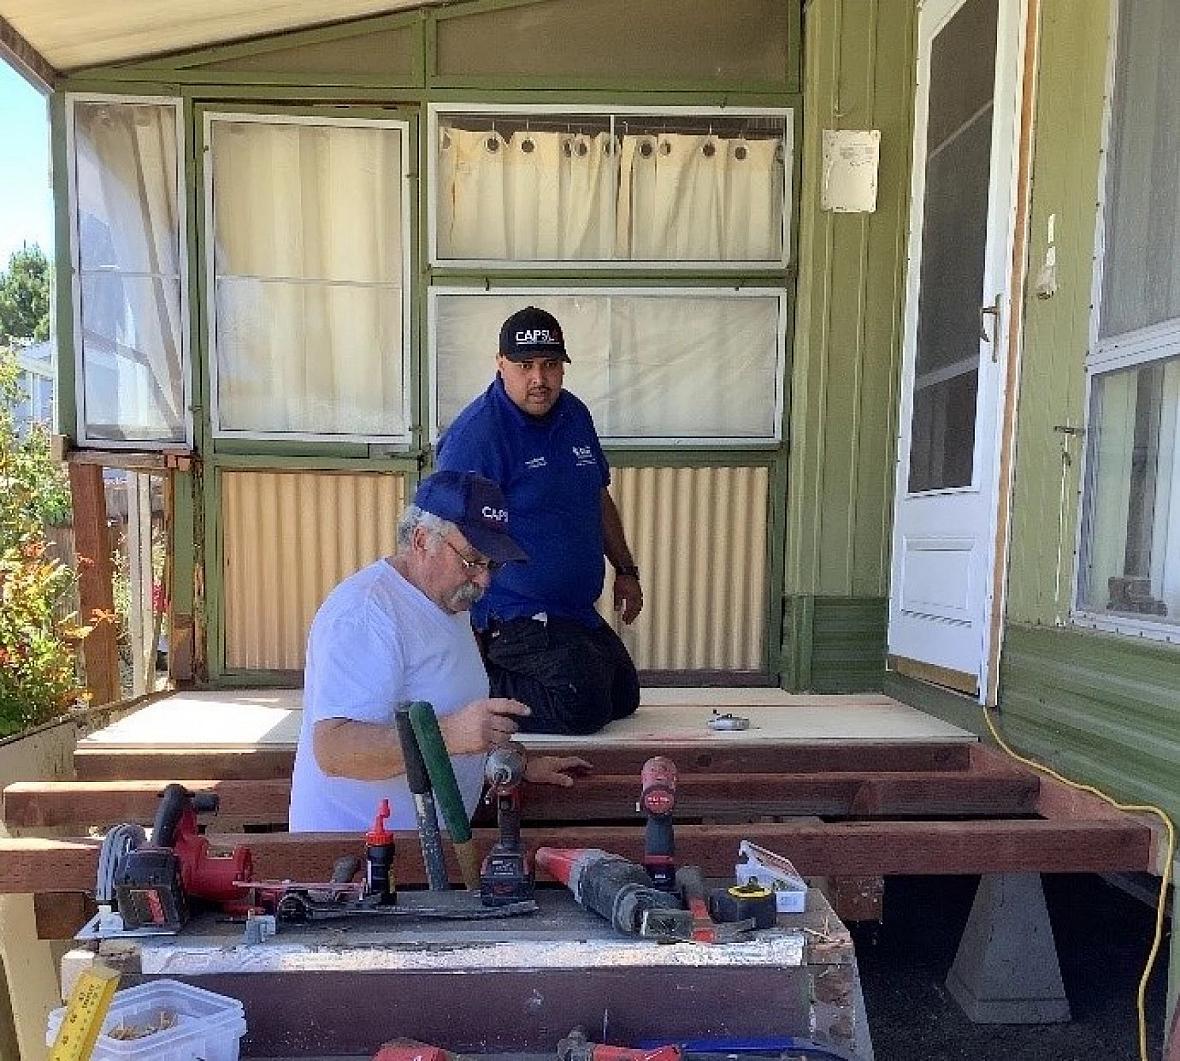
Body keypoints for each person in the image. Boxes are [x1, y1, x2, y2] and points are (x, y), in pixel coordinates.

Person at [289, 469, 589, 832]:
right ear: (420, 540)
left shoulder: (446, 601)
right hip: (359, 862)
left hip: (423, 851)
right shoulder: (366, 613)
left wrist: (504, 762)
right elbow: (335, 750)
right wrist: (447, 735)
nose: (484, 580)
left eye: (492, 564)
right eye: (473, 560)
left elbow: (447, 716)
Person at [435, 306, 643, 736]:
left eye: (550, 366)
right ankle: (470, 688)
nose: (539, 380)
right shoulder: (477, 436)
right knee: (581, 706)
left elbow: (597, 496)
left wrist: (626, 570)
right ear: (500, 363)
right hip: (515, 616)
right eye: (524, 365)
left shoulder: (575, 415)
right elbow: (450, 535)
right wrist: (462, 627)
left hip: (574, 611)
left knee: (623, 697)